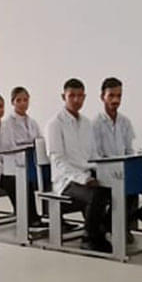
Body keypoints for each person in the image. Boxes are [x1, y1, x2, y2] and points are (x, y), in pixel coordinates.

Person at [45, 78, 111, 253]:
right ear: (63, 97)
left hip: (87, 174)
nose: (76, 100)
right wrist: (83, 178)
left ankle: (103, 229)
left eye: (80, 96)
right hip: (66, 180)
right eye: (72, 96)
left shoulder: (87, 123)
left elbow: (94, 155)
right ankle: (89, 237)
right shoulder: (55, 124)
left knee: (118, 188)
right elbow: (58, 161)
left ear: (84, 97)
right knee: (97, 194)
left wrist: (105, 171)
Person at [0, 92, 44, 229]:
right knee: (12, 182)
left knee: (26, 181)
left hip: (4, 166)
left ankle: (33, 216)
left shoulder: (5, 125)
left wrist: (16, 166)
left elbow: (11, 148)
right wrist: (3, 170)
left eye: (1, 106)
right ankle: (25, 217)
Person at [93, 77, 142, 237]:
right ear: (102, 97)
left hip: (123, 170)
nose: (115, 100)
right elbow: (96, 155)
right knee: (126, 186)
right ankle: (114, 226)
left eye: (119, 96)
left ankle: (120, 224)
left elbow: (129, 149)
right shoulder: (95, 124)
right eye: (111, 96)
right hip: (104, 171)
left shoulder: (125, 122)